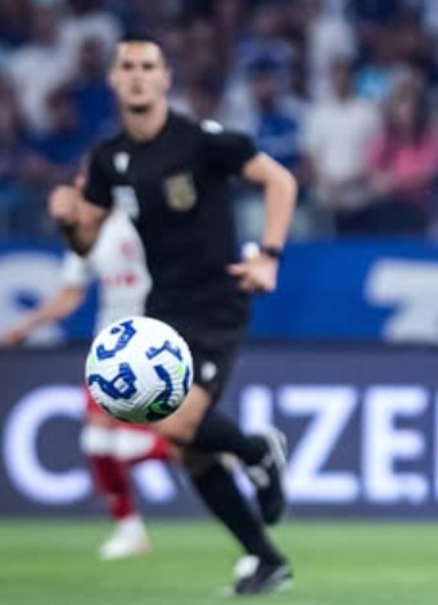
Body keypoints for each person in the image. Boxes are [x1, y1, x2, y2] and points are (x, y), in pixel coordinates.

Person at [46, 34, 298, 595]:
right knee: (188, 450)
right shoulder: (109, 158)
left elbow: (279, 180)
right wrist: (67, 220)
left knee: (176, 422)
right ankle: (265, 558)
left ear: (165, 79)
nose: (137, 75)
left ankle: (259, 450)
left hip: (217, 299)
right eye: (127, 67)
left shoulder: (201, 141)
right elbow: (86, 241)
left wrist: (270, 256)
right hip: (161, 306)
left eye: (148, 66)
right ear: (114, 80)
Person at [3, 208, 173, 560]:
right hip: (109, 346)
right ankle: (129, 529)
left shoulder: (144, 215)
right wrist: (27, 325)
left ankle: (217, 449)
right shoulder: (87, 234)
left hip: (152, 344)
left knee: (131, 443)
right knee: (96, 438)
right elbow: (70, 292)